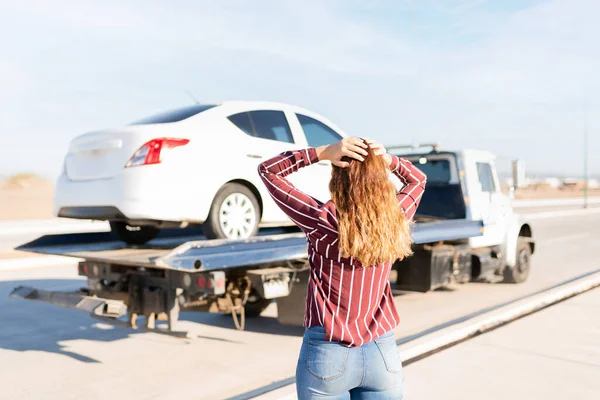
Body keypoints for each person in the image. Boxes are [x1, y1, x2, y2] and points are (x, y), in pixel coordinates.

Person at [257, 137, 427, 399]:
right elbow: (418, 180)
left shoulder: (322, 221)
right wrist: (389, 160)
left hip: (328, 353)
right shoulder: (395, 218)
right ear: (381, 178)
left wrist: (321, 153)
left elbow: (268, 170)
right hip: (382, 352)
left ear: (337, 179)